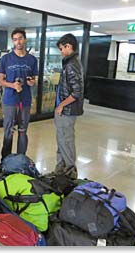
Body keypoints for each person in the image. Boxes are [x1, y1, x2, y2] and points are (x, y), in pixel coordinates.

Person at [0, 28, 38, 161]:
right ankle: (5, 160)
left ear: (25, 39)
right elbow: (0, 80)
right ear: (13, 41)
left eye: (20, 38)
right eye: (15, 39)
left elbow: (34, 79)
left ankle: (21, 160)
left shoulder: (32, 60)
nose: (18, 42)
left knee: (23, 130)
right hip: (10, 99)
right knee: (8, 130)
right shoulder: (6, 59)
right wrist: (12, 85)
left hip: (25, 100)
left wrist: (32, 82)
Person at [54, 33, 84, 178]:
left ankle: (70, 174)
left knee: (66, 141)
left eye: (61, 48)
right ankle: (60, 171)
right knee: (61, 141)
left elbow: (76, 92)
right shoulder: (70, 63)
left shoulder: (72, 65)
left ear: (68, 46)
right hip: (64, 110)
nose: (60, 52)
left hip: (67, 111)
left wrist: (61, 106)